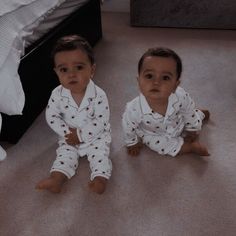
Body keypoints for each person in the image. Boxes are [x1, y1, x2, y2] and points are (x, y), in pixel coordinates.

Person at [36, 35, 112, 194]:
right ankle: (57, 179)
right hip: (69, 135)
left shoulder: (99, 95)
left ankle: (100, 178)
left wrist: (82, 135)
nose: (71, 74)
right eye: (64, 69)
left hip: (95, 136)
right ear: (57, 72)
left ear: (92, 70)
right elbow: (52, 116)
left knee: (100, 155)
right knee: (64, 155)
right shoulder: (57, 95)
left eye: (78, 67)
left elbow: (101, 120)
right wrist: (67, 133)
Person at [122, 47, 210, 157]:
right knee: (158, 145)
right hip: (153, 133)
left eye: (165, 78)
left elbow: (188, 111)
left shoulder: (180, 97)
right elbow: (128, 126)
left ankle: (199, 114)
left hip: (178, 123)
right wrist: (131, 143)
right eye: (149, 76)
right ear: (138, 81)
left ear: (175, 85)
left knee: (191, 115)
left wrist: (192, 129)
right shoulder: (134, 108)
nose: (156, 82)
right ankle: (190, 147)